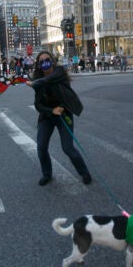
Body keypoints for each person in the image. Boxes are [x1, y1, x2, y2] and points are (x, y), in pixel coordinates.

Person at [25, 51, 92, 186]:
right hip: (48, 116)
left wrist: (36, 83)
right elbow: (38, 105)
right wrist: (51, 110)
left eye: (47, 60)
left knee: (67, 148)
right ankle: (47, 174)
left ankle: (84, 173)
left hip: (64, 113)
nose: (45, 63)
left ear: (52, 61)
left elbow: (49, 80)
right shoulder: (38, 80)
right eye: (42, 61)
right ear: (38, 65)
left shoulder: (59, 72)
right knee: (41, 147)